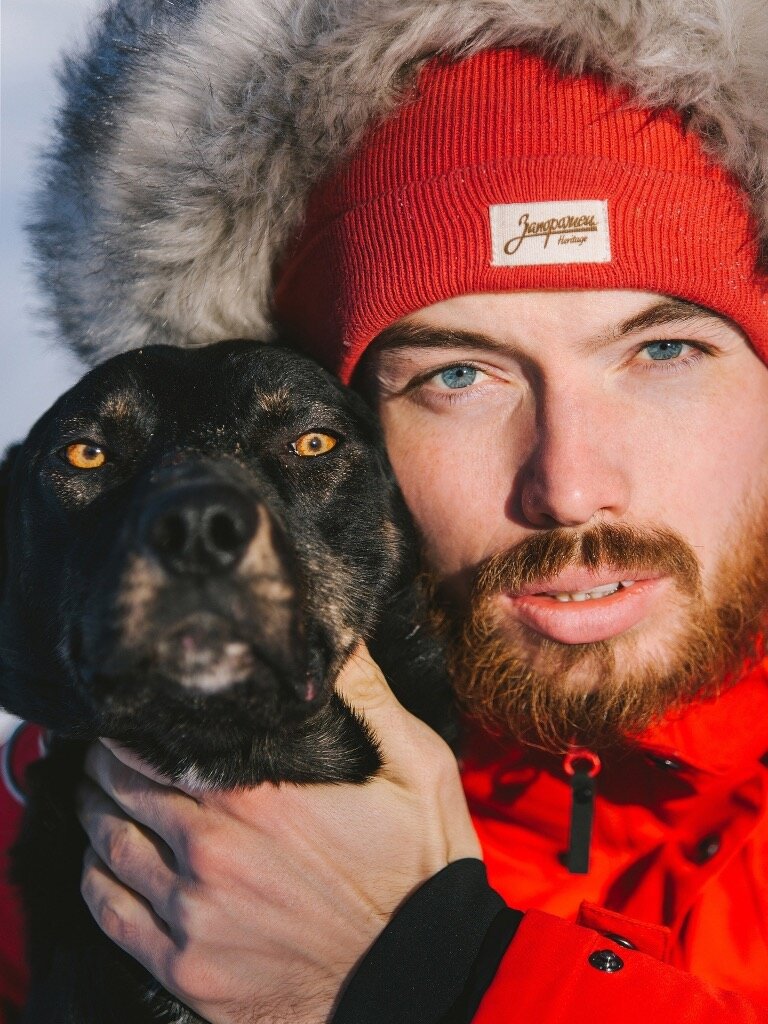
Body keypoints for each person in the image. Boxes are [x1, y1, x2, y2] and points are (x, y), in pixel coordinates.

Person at [1, 1, 768, 1021]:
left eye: (663, 351)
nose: (572, 485)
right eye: (458, 374)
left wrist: (433, 972)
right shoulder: (102, 844)